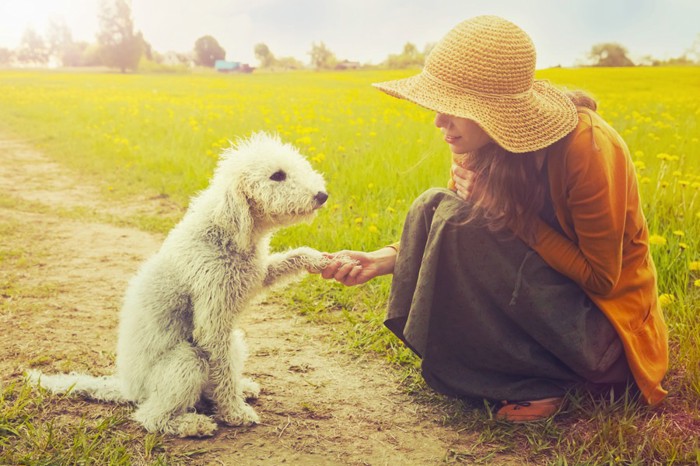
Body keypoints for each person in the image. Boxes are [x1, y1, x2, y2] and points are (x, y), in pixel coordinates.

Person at [318, 15, 668, 422]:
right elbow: (450, 216)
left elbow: (601, 278)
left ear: (494, 112)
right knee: (433, 207)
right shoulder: (476, 145)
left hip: (601, 339)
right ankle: (508, 368)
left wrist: (506, 212)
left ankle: (543, 382)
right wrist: (383, 259)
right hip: (545, 313)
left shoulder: (587, 147)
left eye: (452, 109)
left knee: (451, 218)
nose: (438, 121)